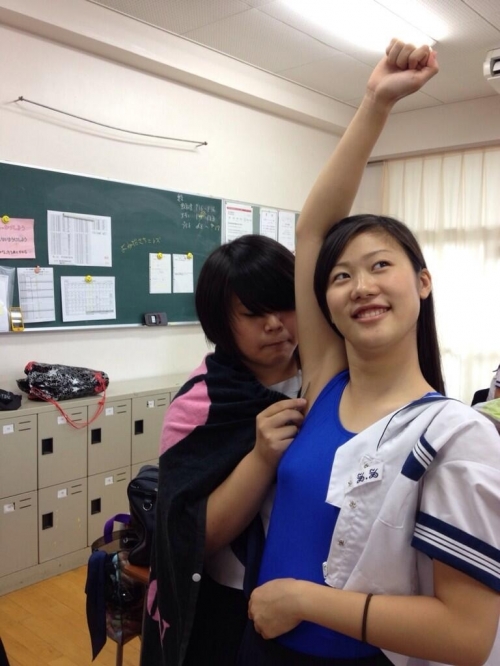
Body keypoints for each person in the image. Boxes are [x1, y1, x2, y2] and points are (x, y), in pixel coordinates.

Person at [243, 40, 500, 666]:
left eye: (381, 265)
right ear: (326, 304)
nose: (360, 286)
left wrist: (304, 600)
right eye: (341, 276)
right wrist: (375, 102)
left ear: (422, 283)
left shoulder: (454, 435)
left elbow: (466, 635)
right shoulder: (325, 382)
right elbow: (312, 229)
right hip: (266, 648)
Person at [140, 234, 306, 666]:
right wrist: (261, 458)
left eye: (285, 305)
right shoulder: (201, 405)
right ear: (221, 322)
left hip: (319, 597)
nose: (275, 323)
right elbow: (193, 534)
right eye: (253, 313)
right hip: (231, 603)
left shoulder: (331, 377)